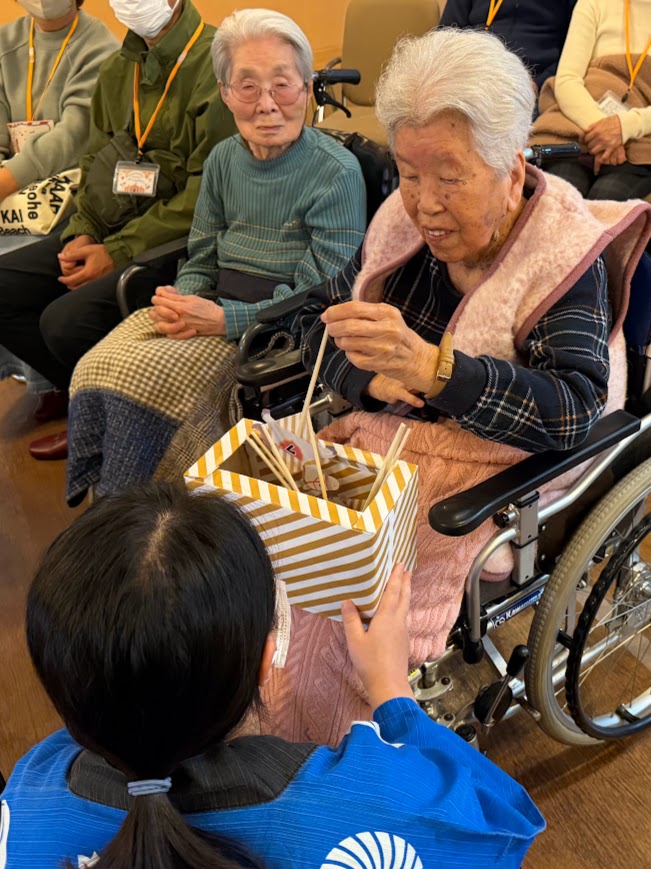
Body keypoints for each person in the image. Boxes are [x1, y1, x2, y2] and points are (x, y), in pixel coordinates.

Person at [251, 27, 651, 746]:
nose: (423, 204)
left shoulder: (562, 254)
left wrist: (436, 370)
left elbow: (571, 410)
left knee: (341, 613)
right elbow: (318, 319)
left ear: (510, 167)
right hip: (391, 435)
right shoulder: (399, 225)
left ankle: (330, 759)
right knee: (259, 557)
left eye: (449, 176)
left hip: (500, 463)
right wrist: (370, 379)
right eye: (408, 173)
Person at [0, 482, 545, 867]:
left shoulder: (26, 800)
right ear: (268, 659)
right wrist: (393, 693)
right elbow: (497, 822)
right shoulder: (365, 802)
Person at [61, 9, 366, 504]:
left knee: (149, 388)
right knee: (96, 366)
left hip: (274, 334)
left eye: (283, 85)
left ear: (308, 87)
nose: (267, 104)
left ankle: (150, 510)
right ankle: (116, 507)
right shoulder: (224, 158)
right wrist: (182, 302)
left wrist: (224, 320)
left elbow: (320, 299)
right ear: (225, 93)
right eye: (247, 87)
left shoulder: (337, 173)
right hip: (212, 309)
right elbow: (201, 255)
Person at [0, 0, 236, 461]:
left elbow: (205, 194)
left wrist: (119, 251)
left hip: (172, 240)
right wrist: (83, 232)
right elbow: (94, 163)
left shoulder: (216, 62)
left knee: (63, 323)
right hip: (110, 226)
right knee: (4, 286)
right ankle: (87, 401)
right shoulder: (117, 69)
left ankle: (109, 417)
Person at [0, 0, 119, 421]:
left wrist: (7, 182)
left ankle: (60, 386)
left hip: (72, 194)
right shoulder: (8, 41)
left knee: (16, 257)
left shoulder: (99, 45)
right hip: (13, 188)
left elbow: (73, 136)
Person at [531, 0, 651, 200]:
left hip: (639, 141)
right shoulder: (593, 3)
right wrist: (604, 131)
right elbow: (567, 80)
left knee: (606, 199)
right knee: (562, 199)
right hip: (577, 126)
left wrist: (625, 127)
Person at [440, 0, 578, 96]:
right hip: (472, 76)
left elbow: (574, 51)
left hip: (533, 82)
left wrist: (539, 84)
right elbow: (446, 36)